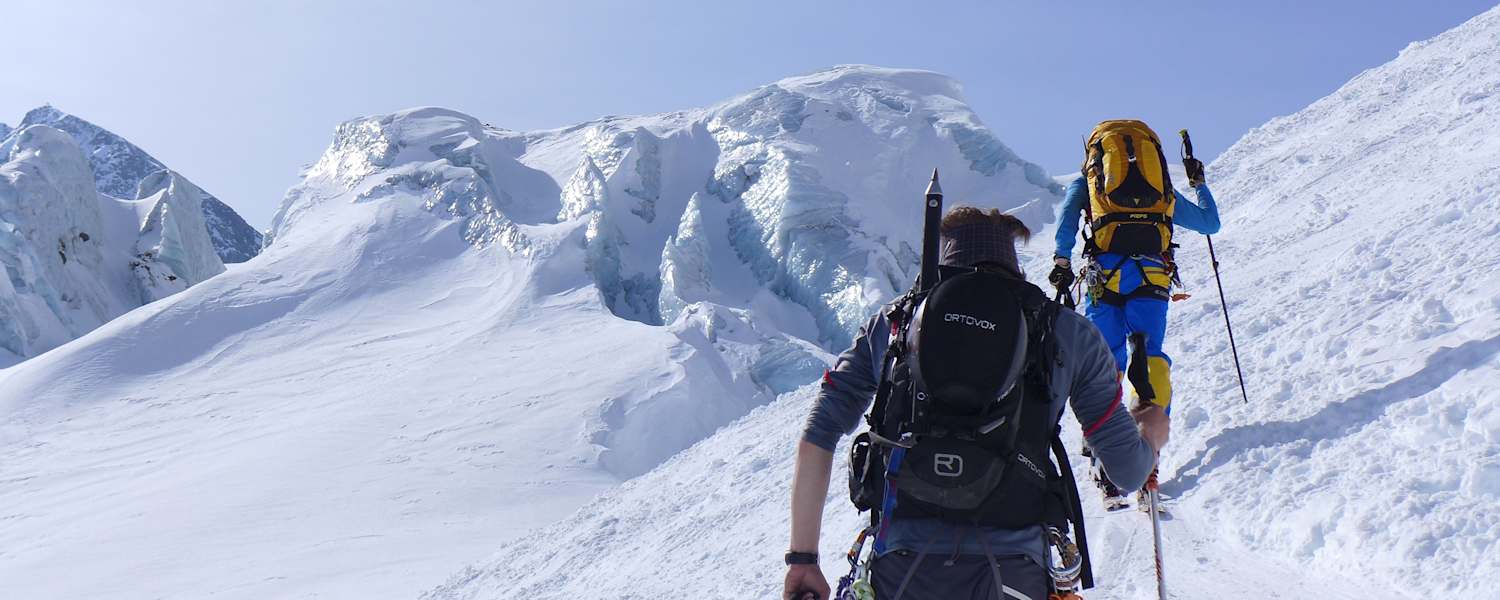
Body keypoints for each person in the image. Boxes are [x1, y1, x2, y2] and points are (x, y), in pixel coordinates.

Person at [783, 206, 1169, 600]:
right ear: (1011, 256)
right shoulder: (1066, 332)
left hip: (900, 568)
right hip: (1014, 572)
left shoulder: (894, 324)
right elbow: (1127, 471)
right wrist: (1149, 430)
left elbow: (819, 431)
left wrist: (803, 559)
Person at [1048, 123, 1221, 508]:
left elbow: (1065, 223)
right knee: (1151, 361)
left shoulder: (1091, 185)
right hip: (1152, 279)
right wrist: (1198, 183)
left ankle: (1104, 462)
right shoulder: (1160, 192)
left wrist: (1061, 260)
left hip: (1104, 280)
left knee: (1105, 366)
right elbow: (1211, 224)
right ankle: (1149, 459)